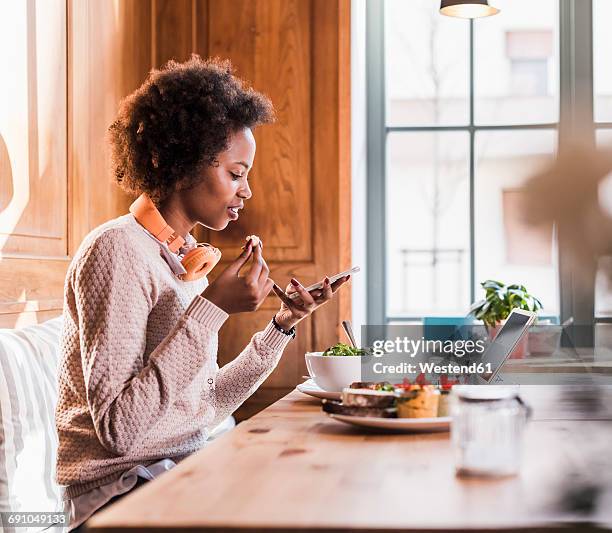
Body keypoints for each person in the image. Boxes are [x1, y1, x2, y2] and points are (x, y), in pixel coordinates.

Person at [54, 55, 350, 531]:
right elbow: (119, 431)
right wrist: (211, 309)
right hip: (118, 497)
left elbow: (203, 406)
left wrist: (282, 324)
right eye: (236, 174)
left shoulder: (184, 258)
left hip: (176, 473)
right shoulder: (115, 251)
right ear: (184, 163)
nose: (247, 191)